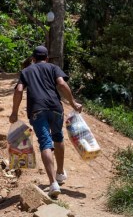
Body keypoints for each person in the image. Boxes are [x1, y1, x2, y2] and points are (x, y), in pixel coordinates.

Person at [10, 45, 83, 197]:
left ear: (33, 59)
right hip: (56, 108)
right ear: (47, 58)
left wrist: (14, 113)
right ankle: (60, 172)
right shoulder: (53, 67)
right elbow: (62, 84)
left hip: (38, 109)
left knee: (45, 143)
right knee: (58, 137)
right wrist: (73, 103)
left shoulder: (26, 71)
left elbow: (18, 90)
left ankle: (53, 184)